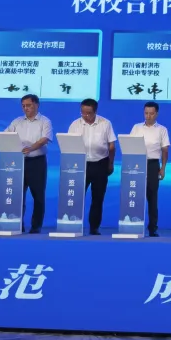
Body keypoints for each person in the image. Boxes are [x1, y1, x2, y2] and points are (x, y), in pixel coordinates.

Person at [69, 98, 117, 236]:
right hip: (80, 164)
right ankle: (73, 224)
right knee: (76, 196)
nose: (85, 115)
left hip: (100, 163)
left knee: (98, 198)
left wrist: (110, 163)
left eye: (89, 113)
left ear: (95, 111)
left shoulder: (105, 123)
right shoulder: (75, 124)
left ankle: (94, 227)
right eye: (83, 112)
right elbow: (69, 144)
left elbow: (112, 146)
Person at [6, 94, 52, 234]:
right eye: (23, 106)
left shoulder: (45, 121)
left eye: (29, 105)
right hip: (18, 162)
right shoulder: (17, 122)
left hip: (37, 162)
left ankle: (36, 226)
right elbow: (6, 135)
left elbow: (45, 139)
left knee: (38, 195)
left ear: (37, 105)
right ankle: (17, 224)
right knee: (17, 194)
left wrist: (31, 148)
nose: (26, 108)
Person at [130, 101, 170, 237]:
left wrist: (163, 168)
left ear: (156, 114)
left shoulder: (162, 130)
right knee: (135, 195)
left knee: (152, 197)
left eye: (151, 113)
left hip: (153, 165)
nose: (148, 116)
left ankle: (153, 228)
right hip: (137, 164)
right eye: (146, 113)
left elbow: (165, 150)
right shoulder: (136, 128)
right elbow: (130, 145)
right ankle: (134, 224)